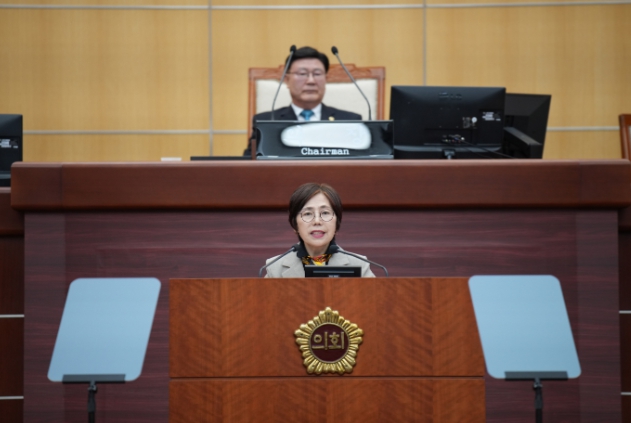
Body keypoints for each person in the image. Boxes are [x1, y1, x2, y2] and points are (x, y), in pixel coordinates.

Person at [244, 46, 362, 156]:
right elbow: (249, 163)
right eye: (302, 73)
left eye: (317, 74)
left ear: (326, 79)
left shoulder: (350, 122)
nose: (311, 81)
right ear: (287, 80)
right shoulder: (267, 122)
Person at [264, 183, 375, 278]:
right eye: (308, 213)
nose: (317, 221)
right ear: (295, 224)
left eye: (325, 213)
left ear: (337, 222)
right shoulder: (275, 268)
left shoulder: (359, 265)